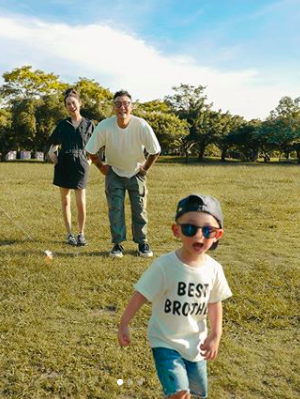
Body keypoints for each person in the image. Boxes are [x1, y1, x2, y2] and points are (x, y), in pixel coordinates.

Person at [117, 194, 232, 399]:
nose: (199, 236)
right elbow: (141, 294)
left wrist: (216, 334)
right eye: (190, 228)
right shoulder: (164, 266)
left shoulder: (214, 270)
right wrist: (124, 323)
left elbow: (214, 303)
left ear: (218, 235)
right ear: (176, 230)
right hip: (165, 341)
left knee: (197, 394)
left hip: (195, 345)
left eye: (207, 230)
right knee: (179, 393)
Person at [85, 90, 161, 258]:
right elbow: (90, 150)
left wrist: (145, 169)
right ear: (114, 107)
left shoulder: (141, 125)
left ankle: (142, 243)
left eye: (126, 103)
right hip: (114, 173)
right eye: (118, 104)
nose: (122, 107)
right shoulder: (105, 125)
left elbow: (155, 151)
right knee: (115, 209)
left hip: (136, 173)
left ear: (131, 107)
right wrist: (100, 166)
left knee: (140, 209)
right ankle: (117, 245)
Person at [47, 88, 94, 246]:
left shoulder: (89, 124)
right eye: (68, 104)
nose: (71, 106)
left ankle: (81, 234)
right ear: (66, 107)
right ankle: (69, 234)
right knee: (65, 201)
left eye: (73, 103)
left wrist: (90, 161)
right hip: (64, 163)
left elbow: (95, 146)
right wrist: (51, 150)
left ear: (79, 103)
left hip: (81, 164)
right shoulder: (62, 124)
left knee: (81, 202)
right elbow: (53, 142)